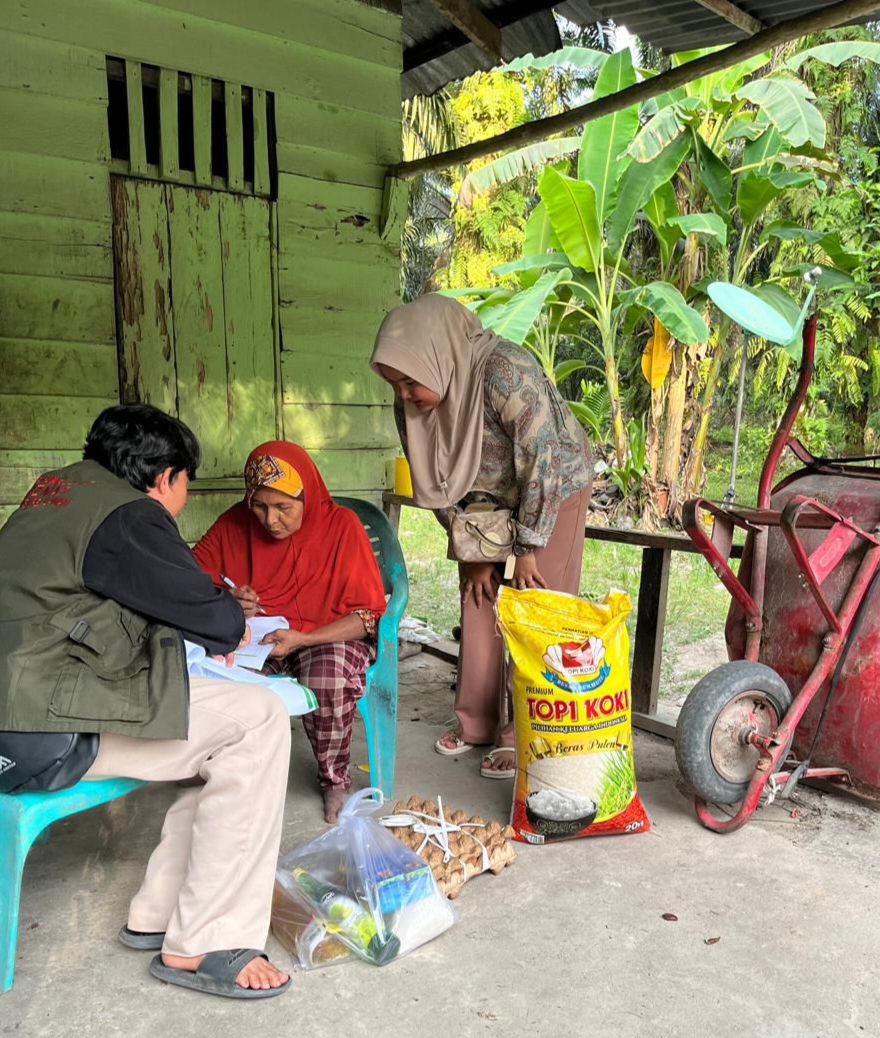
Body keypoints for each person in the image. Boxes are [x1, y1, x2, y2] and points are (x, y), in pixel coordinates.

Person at [0, 405, 292, 1000]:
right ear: (166, 477)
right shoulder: (130, 514)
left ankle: (158, 913)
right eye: (184, 483)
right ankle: (207, 943)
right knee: (257, 721)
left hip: (20, 709)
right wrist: (229, 620)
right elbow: (212, 614)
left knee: (211, 728)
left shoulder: (56, 492)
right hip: (35, 728)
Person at [370, 294, 593, 778]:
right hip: (483, 499)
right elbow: (433, 477)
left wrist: (530, 548)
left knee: (538, 605)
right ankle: (477, 722)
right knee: (479, 594)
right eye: (395, 384)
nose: (405, 395)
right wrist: (466, 546)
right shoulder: (410, 400)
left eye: (410, 382)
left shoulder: (505, 371)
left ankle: (528, 732)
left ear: (439, 356)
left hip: (554, 484)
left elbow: (543, 462)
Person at [192, 441, 386, 824]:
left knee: (326, 676)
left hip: (327, 635)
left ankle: (334, 780)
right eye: (260, 506)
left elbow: (367, 617)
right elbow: (189, 577)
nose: (270, 520)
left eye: (284, 507)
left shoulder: (341, 528)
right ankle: (238, 780)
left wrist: (304, 639)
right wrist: (227, 596)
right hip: (261, 638)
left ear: (307, 496)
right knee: (226, 676)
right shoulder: (234, 524)